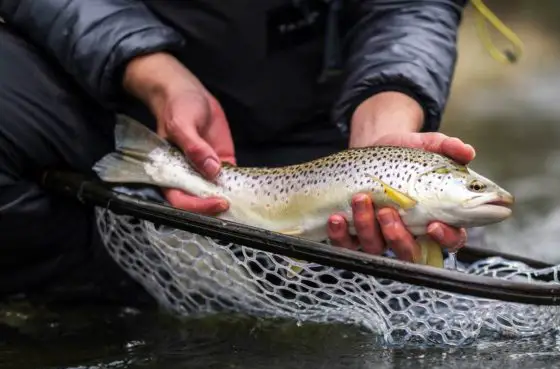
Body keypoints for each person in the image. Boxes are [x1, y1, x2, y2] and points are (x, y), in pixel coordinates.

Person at [0, 0, 475, 302]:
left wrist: (388, 109)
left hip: (318, 123)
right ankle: (127, 282)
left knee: (401, 287)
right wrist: (152, 71)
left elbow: (411, 7)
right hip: (104, 89)